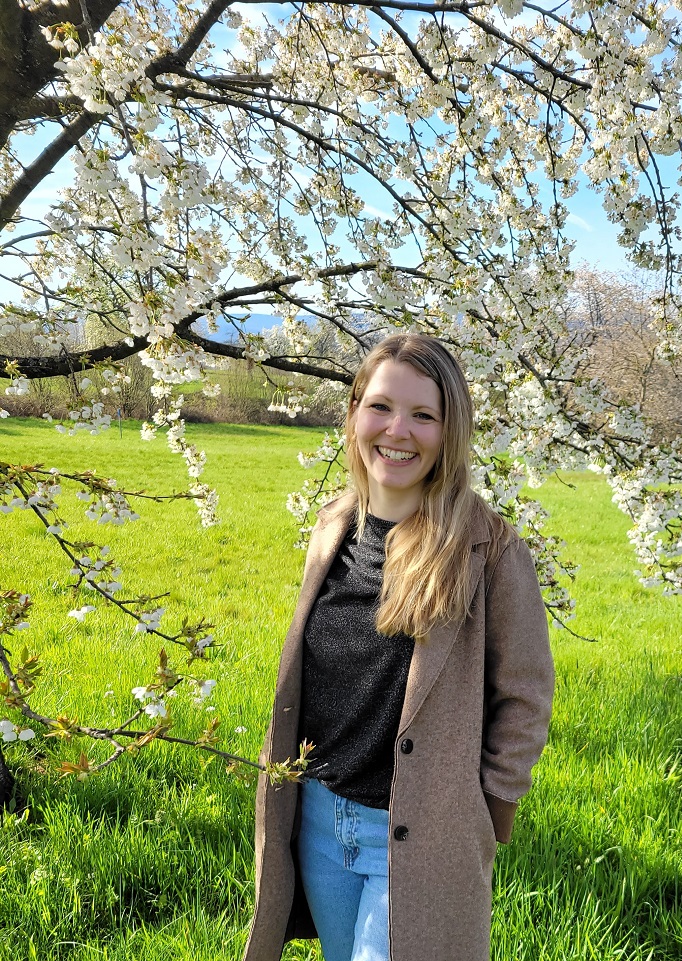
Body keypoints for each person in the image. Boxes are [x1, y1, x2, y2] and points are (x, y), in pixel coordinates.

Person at [242, 333, 555, 961]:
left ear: (449, 431)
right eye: (381, 406)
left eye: (423, 415)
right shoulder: (334, 523)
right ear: (356, 412)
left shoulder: (488, 548)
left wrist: (485, 808)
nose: (398, 430)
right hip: (320, 820)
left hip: (420, 836)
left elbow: (525, 698)